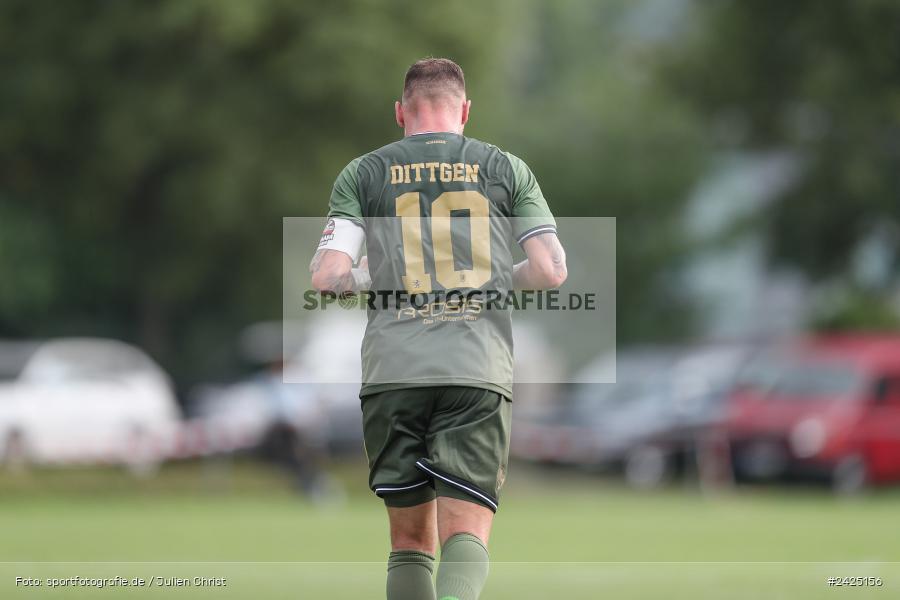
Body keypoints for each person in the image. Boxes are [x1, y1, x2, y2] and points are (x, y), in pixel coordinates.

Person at [310, 57, 566, 600]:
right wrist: (494, 278)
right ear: (465, 111)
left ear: (401, 112)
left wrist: (377, 276)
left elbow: (329, 276)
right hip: (476, 367)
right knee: (466, 535)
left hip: (393, 370)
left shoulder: (363, 171)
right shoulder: (506, 168)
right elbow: (550, 270)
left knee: (409, 542)